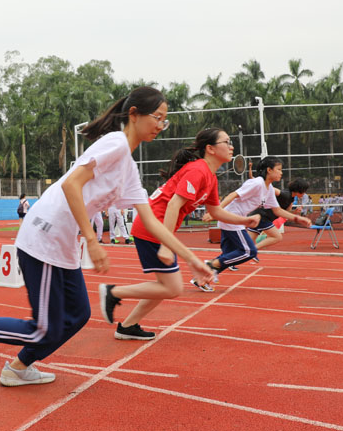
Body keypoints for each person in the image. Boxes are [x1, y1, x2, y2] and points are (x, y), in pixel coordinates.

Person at [0, 86, 213, 386]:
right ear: (134, 114)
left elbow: (151, 221)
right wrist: (92, 240)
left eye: (165, 120)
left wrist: (190, 258)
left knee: (78, 314)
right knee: (44, 328)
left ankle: (17, 368)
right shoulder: (116, 144)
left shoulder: (129, 169)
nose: (161, 125)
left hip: (64, 242)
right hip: (45, 234)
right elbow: (72, 184)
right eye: (157, 117)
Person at [98, 128, 259, 340]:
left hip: (158, 229)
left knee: (166, 286)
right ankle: (113, 292)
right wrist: (166, 245)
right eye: (227, 142)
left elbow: (215, 212)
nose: (232, 146)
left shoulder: (210, 176)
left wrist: (244, 220)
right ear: (210, 149)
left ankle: (127, 326)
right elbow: (173, 204)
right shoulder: (198, 170)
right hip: (152, 228)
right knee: (171, 287)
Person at [201, 157, 310, 291]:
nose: (281, 173)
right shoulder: (257, 183)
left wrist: (297, 218)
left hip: (238, 220)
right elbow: (233, 195)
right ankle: (211, 265)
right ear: (269, 170)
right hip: (231, 218)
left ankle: (203, 278)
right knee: (249, 251)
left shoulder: (269, 189)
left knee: (230, 253)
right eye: (279, 169)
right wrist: (215, 212)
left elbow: (277, 210)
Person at [249, 177, 312, 250]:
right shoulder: (285, 194)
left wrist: (295, 212)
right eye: (304, 191)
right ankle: (253, 250)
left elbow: (286, 213)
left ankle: (249, 250)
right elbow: (272, 189)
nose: (304, 193)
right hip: (263, 217)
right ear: (299, 190)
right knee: (277, 237)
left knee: (247, 243)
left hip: (262, 217)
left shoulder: (291, 198)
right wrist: (259, 183)